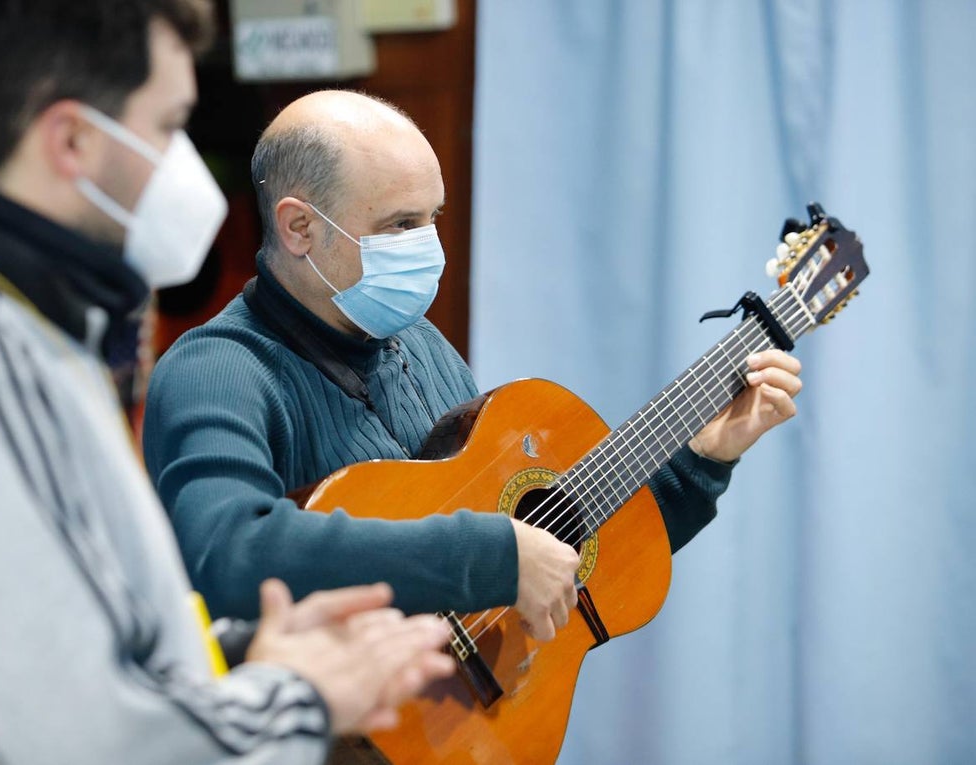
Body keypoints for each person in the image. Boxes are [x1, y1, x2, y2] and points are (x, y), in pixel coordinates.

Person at [0, 7, 455, 764]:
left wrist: (244, 644)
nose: (186, 167)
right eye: (167, 126)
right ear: (69, 141)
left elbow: (78, 621)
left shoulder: (6, 329)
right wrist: (308, 693)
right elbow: (104, 739)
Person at [141, 89, 805, 640]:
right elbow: (225, 553)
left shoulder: (422, 346)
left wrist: (701, 462)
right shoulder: (216, 372)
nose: (428, 247)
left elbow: (559, 562)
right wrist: (492, 555)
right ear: (298, 228)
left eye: (433, 217)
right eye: (401, 224)